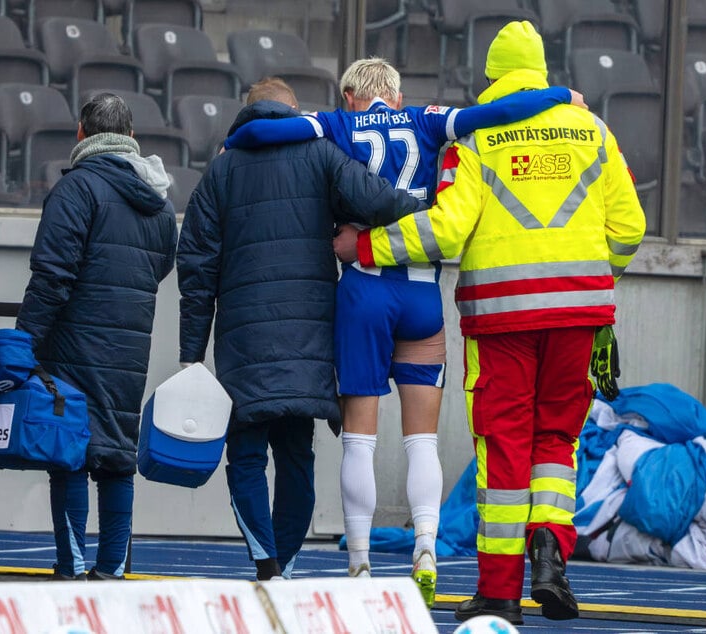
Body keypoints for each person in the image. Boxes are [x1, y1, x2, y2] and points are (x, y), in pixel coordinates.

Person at [225, 57, 582, 606]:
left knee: (360, 440)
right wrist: (560, 96)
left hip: (363, 290)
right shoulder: (426, 119)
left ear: (350, 95)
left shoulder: (337, 124)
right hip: (421, 294)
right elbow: (501, 112)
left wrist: (237, 140)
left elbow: (266, 128)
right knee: (422, 441)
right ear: (395, 93)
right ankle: (426, 549)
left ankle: (360, 562)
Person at [333, 21, 645, 624]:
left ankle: (500, 591)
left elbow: (444, 228)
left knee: (503, 446)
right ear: (544, 72)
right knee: (557, 439)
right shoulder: (593, 130)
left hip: (502, 316)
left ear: (494, 77)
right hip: (580, 314)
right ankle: (551, 547)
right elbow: (629, 229)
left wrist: (365, 249)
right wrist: (593, 287)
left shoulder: (478, 134)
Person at [176, 78, 423, 582]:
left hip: (243, 344)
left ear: (248, 114)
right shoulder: (321, 154)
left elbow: (196, 269)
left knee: (245, 456)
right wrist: (433, 208)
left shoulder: (221, 169)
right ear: (296, 113)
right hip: (309, 343)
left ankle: (265, 560)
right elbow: (376, 199)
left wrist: (191, 353)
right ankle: (285, 563)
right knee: (296, 457)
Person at [16, 92, 178, 580]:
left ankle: (72, 567)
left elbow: (51, 276)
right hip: (129, 347)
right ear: (130, 138)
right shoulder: (160, 204)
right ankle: (110, 573)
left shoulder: (76, 190)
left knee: (68, 456)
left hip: (70, 345)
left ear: (82, 134)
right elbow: (160, 267)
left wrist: (24, 341)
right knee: (116, 458)